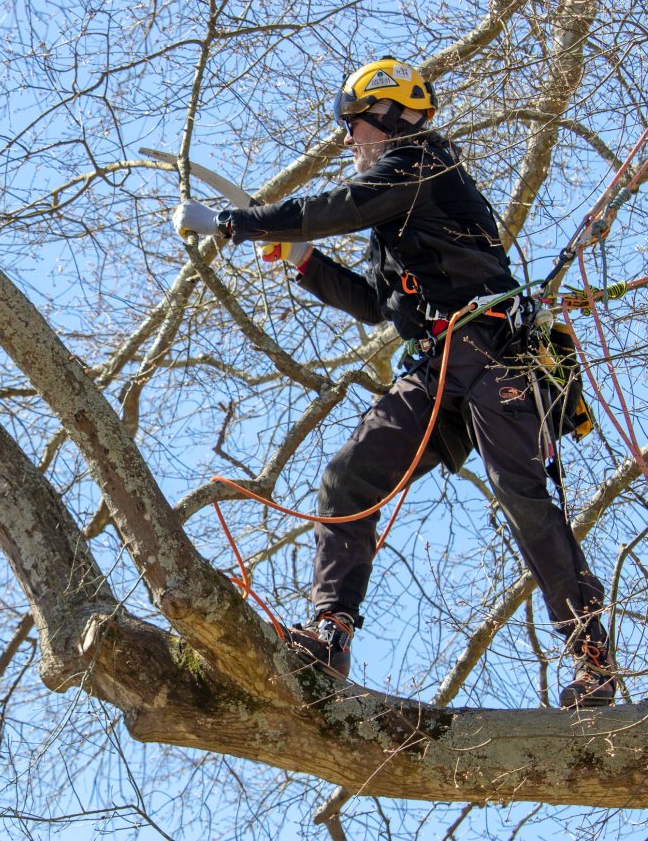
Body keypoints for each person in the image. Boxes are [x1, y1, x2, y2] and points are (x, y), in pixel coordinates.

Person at [172, 57, 616, 708]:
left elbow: (344, 205)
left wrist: (244, 222)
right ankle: (333, 632)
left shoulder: (422, 166)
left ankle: (592, 657)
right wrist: (302, 260)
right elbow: (379, 304)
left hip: (496, 354)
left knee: (522, 494)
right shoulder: (399, 217)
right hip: (435, 372)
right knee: (348, 476)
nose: (346, 141)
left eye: (352, 126)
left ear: (384, 117)